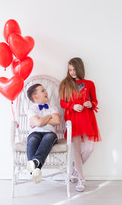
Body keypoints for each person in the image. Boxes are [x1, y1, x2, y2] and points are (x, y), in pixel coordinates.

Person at [59, 57, 101, 192]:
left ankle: (75, 169)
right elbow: (62, 103)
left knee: (89, 148)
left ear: (80, 68)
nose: (72, 72)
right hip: (73, 118)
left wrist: (91, 104)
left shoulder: (89, 83)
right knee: (76, 149)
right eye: (70, 70)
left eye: (74, 69)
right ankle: (81, 179)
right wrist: (73, 106)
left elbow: (95, 101)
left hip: (87, 117)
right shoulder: (66, 83)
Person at [26, 83, 61, 183]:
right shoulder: (32, 109)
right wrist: (49, 117)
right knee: (32, 140)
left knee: (48, 138)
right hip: (35, 132)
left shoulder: (52, 107)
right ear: (35, 96)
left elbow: (57, 121)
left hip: (50, 133)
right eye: (42, 91)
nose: (46, 92)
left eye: (45, 90)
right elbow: (39, 123)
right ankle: (35, 169)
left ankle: (34, 163)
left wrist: (40, 121)